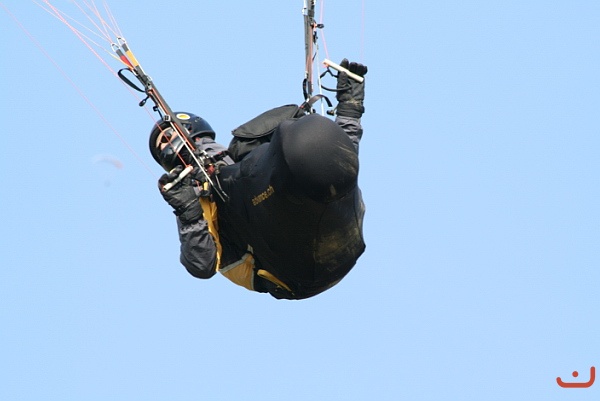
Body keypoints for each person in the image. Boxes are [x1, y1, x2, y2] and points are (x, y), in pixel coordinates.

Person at [151, 59, 368, 300]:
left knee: (278, 147)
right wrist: (188, 212)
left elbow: (335, 162)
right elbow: (202, 265)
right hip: (287, 270)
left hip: (334, 237)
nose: (166, 142)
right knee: (245, 169)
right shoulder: (199, 198)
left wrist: (350, 107)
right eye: (162, 142)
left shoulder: (249, 158)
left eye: (167, 136)